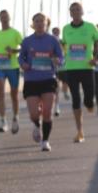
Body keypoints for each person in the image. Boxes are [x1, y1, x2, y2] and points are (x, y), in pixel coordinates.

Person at [19, 13, 64, 152]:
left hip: (48, 79)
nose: (39, 24)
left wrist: (58, 61)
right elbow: (20, 58)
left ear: (46, 24)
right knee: (33, 114)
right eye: (36, 21)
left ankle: (45, 141)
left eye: (42, 21)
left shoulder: (53, 40)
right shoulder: (27, 41)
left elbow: (62, 58)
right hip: (31, 80)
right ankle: (36, 125)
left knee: (47, 112)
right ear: (33, 24)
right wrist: (23, 64)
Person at [61, 2, 98, 143]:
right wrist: (60, 54)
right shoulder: (66, 29)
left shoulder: (90, 27)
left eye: (78, 9)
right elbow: (63, 45)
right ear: (70, 13)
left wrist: (97, 59)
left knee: (88, 100)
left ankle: (90, 104)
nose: (75, 12)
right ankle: (79, 132)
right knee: (75, 99)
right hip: (71, 68)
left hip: (87, 68)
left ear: (82, 12)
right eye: (72, 10)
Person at [0, 10, 23, 133]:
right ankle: (3, 121)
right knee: (0, 93)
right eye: (2, 17)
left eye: (6, 17)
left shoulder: (15, 33)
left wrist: (13, 51)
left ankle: (15, 118)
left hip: (13, 67)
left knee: (14, 95)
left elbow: (23, 48)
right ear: (0, 19)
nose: (4, 19)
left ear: (9, 18)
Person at [50, 25, 68, 116]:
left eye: (57, 31)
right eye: (54, 31)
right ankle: (57, 107)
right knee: (56, 88)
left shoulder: (63, 42)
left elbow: (67, 52)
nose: (56, 32)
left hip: (63, 67)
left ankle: (65, 92)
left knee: (65, 83)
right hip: (54, 68)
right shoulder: (49, 41)